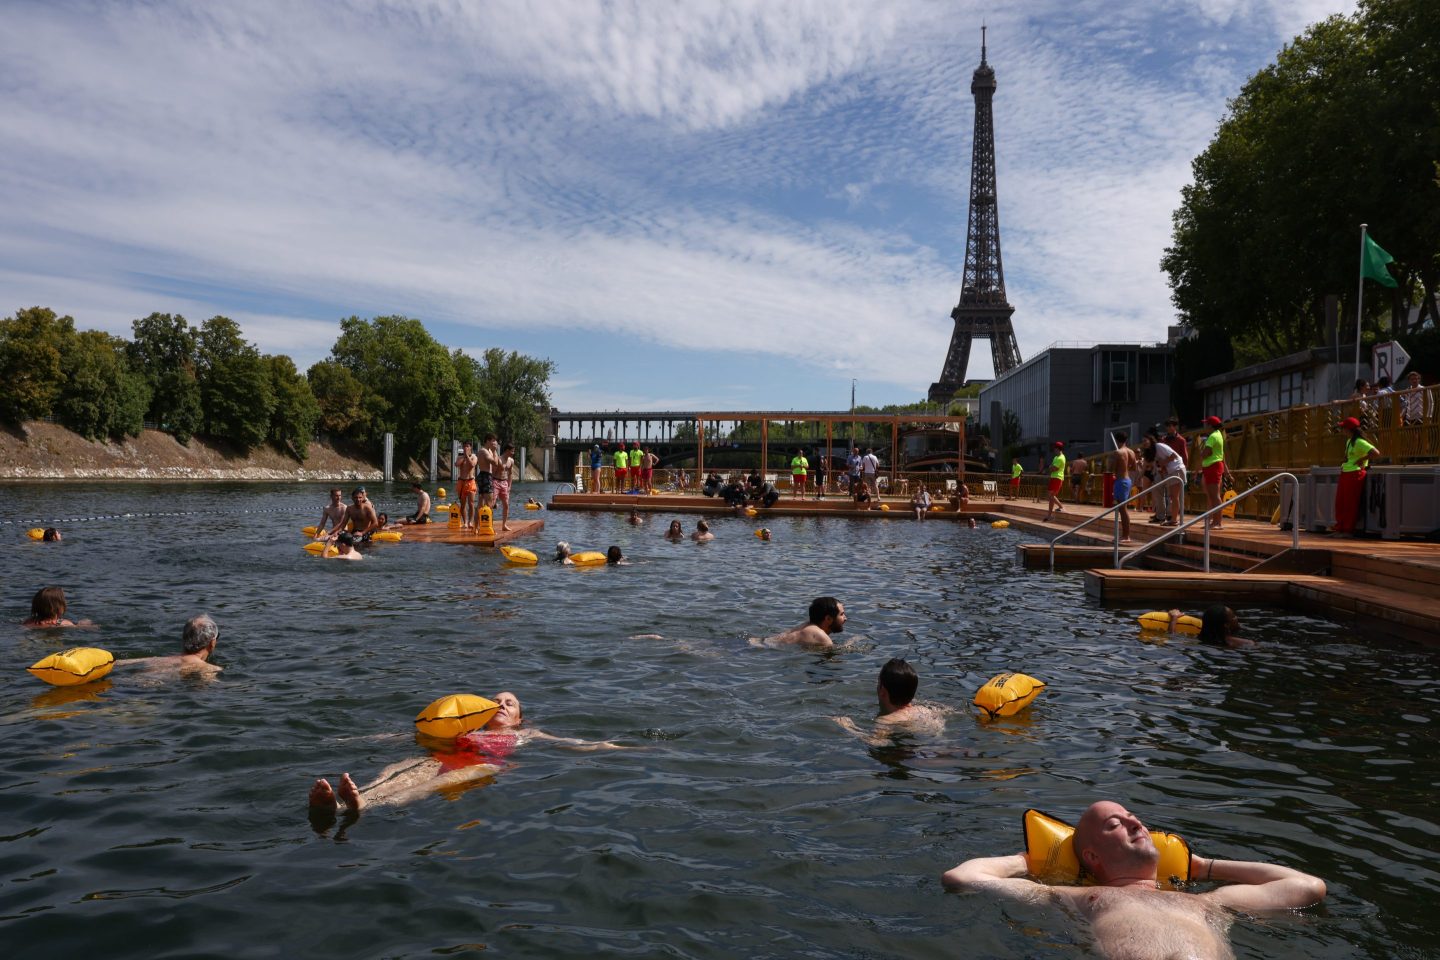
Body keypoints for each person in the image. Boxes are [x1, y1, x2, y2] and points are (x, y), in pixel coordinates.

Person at [941, 800, 1324, 960]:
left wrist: (1203, 866)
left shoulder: (1208, 900)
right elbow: (961, 877)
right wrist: (1030, 860)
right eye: (1115, 824)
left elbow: (1308, 886)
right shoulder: (1076, 897)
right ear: (1091, 857)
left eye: (1133, 817)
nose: (1135, 822)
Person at [307, 692, 623, 820]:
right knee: (399, 770)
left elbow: (573, 743)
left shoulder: (525, 734)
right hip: (444, 754)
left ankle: (363, 805)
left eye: (510, 703)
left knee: (428, 785)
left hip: (483, 765)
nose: (501, 704)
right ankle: (341, 803)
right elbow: (411, 735)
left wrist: (614, 747)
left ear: (519, 718)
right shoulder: (465, 729)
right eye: (495, 700)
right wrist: (351, 737)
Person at [833, 657, 945, 742]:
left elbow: (876, 742)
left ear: (882, 691)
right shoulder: (927, 710)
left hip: (921, 752)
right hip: (936, 744)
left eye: (878, 683)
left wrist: (849, 727)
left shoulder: (887, 720)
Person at [116, 614, 224, 676]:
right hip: (147, 695)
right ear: (212, 642)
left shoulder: (158, 659)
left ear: (184, 638)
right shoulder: (209, 668)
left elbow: (117, 663)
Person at [1333, 416, 1378, 535]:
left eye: (1343, 428)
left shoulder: (1360, 442)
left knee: (1350, 502)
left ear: (1349, 429)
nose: (1342, 430)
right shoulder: (1349, 441)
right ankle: (1340, 527)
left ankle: (1347, 529)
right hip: (1346, 472)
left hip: (1355, 473)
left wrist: (1362, 459)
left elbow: (1375, 453)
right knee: (1340, 501)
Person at [759, 596, 846, 649]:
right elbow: (833, 655)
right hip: (759, 649)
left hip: (758, 643)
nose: (845, 618)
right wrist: (851, 642)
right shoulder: (820, 635)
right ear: (828, 618)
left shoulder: (808, 626)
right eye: (841, 614)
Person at [1168, 604, 1253, 648]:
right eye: (1233, 616)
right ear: (1226, 625)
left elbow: (1173, 636)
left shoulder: (1199, 639)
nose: (1236, 617)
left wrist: (1174, 618)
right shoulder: (1246, 643)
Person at [1144, 440, 1186, 526]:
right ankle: (1172, 519)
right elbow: (1162, 465)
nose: (1144, 442)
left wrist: (1163, 462)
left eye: (1145, 440)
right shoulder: (1154, 452)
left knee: (1175, 496)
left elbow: (1173, 456)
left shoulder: (1158, 446)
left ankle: (1174, 519)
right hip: (1171, 471)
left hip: (1177, 469)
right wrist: (1163, 469)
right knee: (1172, 496)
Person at [1109, 432, 1137, 544]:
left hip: (1120, 481)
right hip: (1128, 480)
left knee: (1122, 509)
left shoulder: (1118, 452)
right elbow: (1134, 467)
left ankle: (1126, 536)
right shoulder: (1131, 452)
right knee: (1122, 509)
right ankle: (1125, 535)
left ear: (1116, 440)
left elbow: (1112, 468)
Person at [1199, 416, 1226, 529]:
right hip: (1213, 466)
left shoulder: (1212, 436)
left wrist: (1202, 453)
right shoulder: (1218, 434)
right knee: (1213, 495)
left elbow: (1206, 453)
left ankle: (1217, 522)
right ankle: (1215, 521)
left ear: (1210, 425)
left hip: (1212, 466)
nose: (1205, 427)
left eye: (1206, 424)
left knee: (1214, 496)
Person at [456, 441, 479, 528]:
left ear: (471, 448)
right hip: (461, 482)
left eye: (468, 446)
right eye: (465, 446)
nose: (466, 448)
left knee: (471, 503)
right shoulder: (460, 457)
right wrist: (464, 456)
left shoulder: (474, 457)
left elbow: (473, 464)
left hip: (470, 482)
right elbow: (457, 464)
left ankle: (470, 522)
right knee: (462, 504)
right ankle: (465, 522)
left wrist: (467, 457)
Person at [494, 443, 516, 531]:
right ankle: (487, 523)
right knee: (491, 504)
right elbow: (492, 472)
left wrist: (509, 486)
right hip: (496, 481)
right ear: (507, 450)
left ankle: (504, 525)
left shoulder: (511, 461)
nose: (513, 453)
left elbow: (510, 474)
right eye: (512, 451)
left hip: (504, 483)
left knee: (506, 505)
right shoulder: (499, 459)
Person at [1044, 441, 1067, 522]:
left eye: (1054, 448)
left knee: (1051, 495)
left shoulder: (1061, 458)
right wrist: (1051, 467)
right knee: (1051, 496)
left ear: (1058, 449)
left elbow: (1054, 468)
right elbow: (1051, 467)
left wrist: (1051, 467)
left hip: (1057, 478)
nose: (1053, 449)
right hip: (1054, 477)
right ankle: (1049, 515)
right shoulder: (1056, 457)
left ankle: (1060, 507)